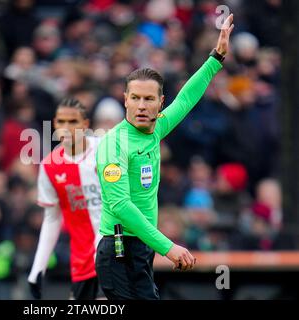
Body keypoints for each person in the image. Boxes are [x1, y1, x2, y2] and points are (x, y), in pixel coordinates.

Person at [95, 14, 234, 300]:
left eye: (149, 99)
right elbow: (120, 205)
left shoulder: (155, 130)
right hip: (119, 250)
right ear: (125, 100)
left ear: (160, 103)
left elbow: (185, 99)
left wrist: (216, 57)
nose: (141, 106)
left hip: (141, 250)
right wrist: (169, 247)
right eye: (135, 98)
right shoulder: (114, 144)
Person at [27, 97, 103, 300]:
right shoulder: (50, 166)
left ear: (85, 125)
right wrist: (38, 268)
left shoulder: (106, 149)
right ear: (54, 124)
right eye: (62, 122)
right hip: (82, 263)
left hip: (116, 255)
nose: (67, 128)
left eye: (73, 122)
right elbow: (52, 218)